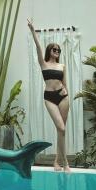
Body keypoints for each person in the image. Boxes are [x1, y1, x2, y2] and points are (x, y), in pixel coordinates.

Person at [27, 19, 71, 172]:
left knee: (62, 130)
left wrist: (66, 90)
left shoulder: (62, 65)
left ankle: (56, 162)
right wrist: (33, 30)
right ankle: (65, 162)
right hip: (49, 98)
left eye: (58, 50)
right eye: (54, 49)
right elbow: (38, 47)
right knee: (61, 127)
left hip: (63, 97)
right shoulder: (43, 63)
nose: (57, 52)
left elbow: (64, 82)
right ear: (49, 51)